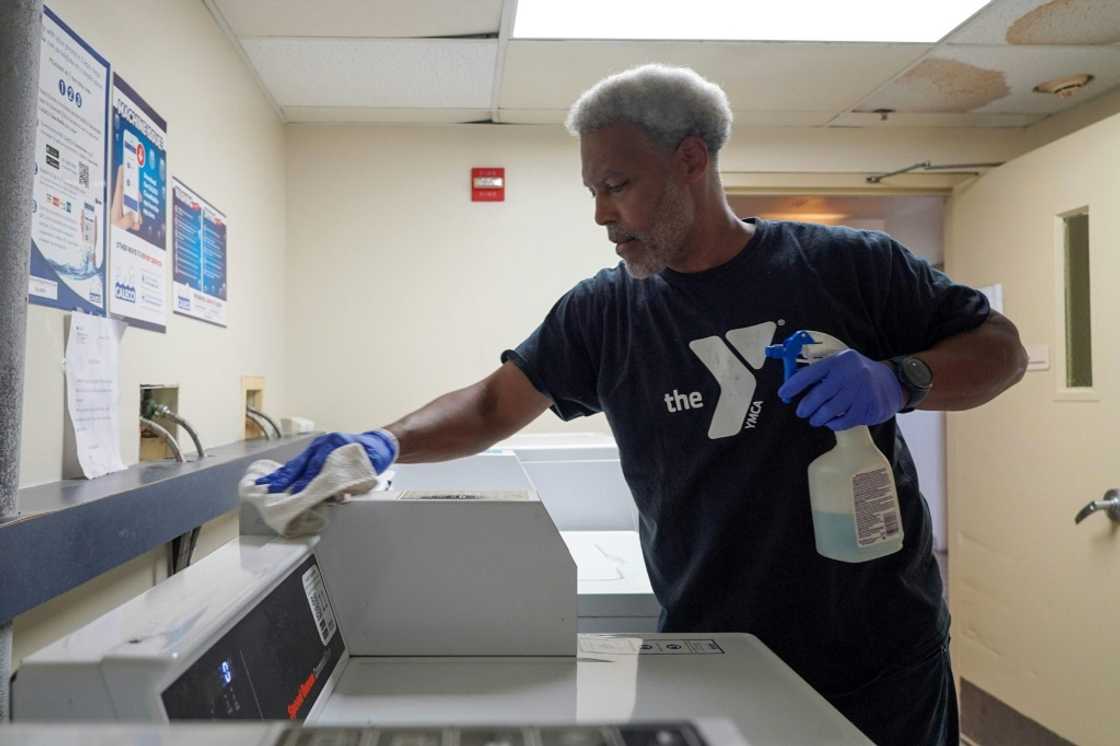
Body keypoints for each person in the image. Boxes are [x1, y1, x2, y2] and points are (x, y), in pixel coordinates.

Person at [257, 65, 1028, 744]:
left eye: (616, 185)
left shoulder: (847, 267)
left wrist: (901, 380)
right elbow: (494, 406)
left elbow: (1001, 351)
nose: (600, 213)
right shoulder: (605, 313)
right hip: (710, 654)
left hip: (879, 659)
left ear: (690, 160)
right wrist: (381, 443)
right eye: (593, 190)